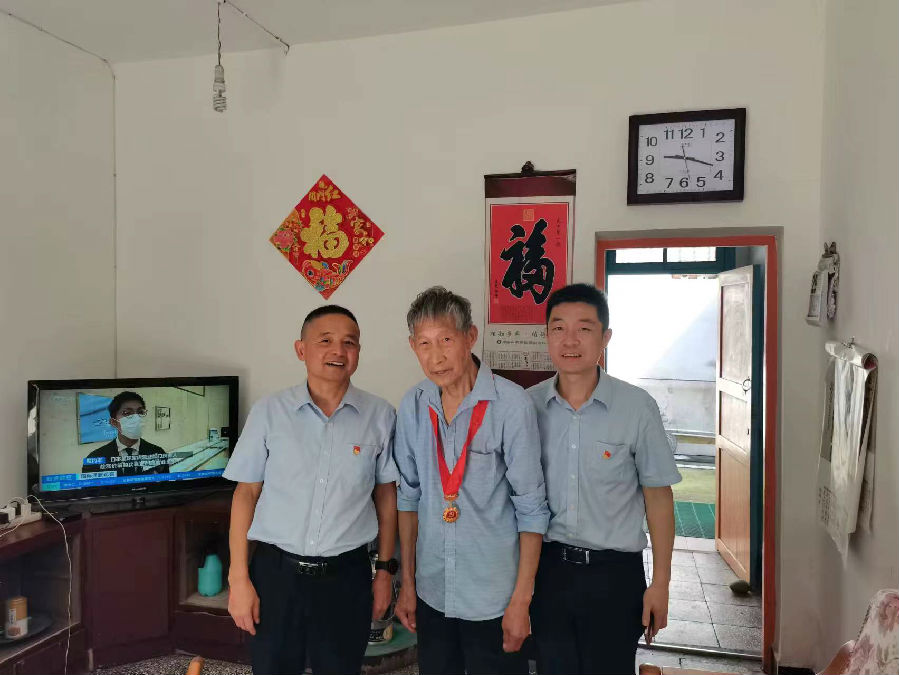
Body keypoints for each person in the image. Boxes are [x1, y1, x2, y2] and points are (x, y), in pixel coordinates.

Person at [223, 305, 399, 675]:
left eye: (349, 342)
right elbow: (246, 493)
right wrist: (238, 578)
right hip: (276, 576)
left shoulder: (380, 415)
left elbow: (386, 495)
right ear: (301, 349)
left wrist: (384, 571)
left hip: (346, 577)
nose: (338, 351)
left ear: (358, 352)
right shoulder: (269, 412)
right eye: (326, 341)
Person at [393, 286, 549, 675]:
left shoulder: (511, 405)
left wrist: (521, 602)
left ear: (470, 337)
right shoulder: (413, 404)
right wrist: (408, 584)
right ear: (412, 347)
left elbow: (531, 510)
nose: (436, 356)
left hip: (493, 598)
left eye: (446, 340)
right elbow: (408, 499)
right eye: (425, 344)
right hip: (432, 591)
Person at [527, 283, 682, 675]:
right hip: (548, 571)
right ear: (547, 335)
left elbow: (658, 499)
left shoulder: (637, 407)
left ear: (605, 337)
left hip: (614, 575)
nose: (570, 340)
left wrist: (660, 583)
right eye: (558, 328)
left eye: (584, 328)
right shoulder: (527, 406)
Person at [82, 391, 169, 476]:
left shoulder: (158, 453)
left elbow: (166, 484)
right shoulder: (95, 458)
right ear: (114, 422)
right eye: (127, 413)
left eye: (140, 412)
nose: (136, 418)